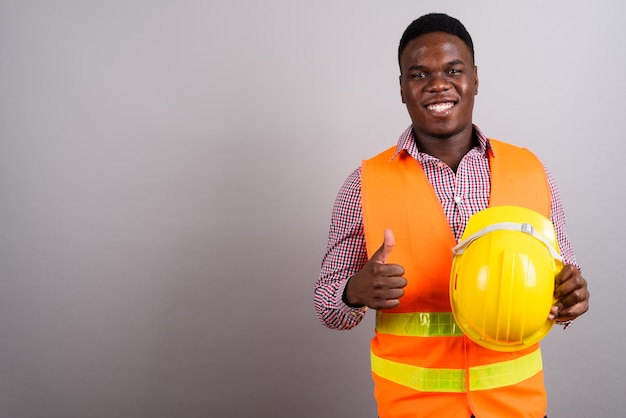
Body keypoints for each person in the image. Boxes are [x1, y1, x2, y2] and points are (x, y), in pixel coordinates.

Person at [314, 12, 589, 418]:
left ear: (475, 79)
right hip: (414, 409)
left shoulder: (531, 170)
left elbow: (561, 277)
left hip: (518, 407)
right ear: (403, 88)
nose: (438, 84)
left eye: (453, 70)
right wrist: (354, 292)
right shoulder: (364, 183)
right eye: (419, 74)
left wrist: (571, 296)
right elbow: (327, 305)